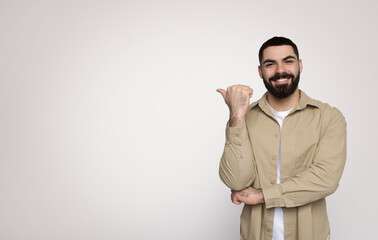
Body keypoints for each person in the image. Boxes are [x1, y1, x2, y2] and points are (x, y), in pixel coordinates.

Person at [217, 36, 346, 240]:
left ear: (299, 65)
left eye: (288, 61)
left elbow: (326, 179)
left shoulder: (328, 117)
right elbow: (236, 180)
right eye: (270, 64)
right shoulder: (243, 118)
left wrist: (262, 195)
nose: (280, 70)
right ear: (260, 71)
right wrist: (237, 115)